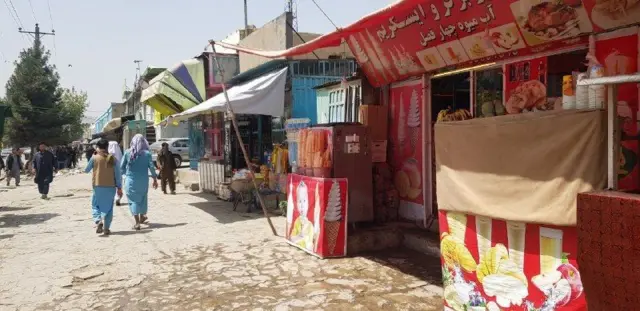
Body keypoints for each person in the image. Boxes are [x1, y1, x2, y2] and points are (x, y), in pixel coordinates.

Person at [85, 139, 122, 236]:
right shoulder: (112, 159)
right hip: (111, 186)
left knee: (95, 205)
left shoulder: (94, 157)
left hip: (98, 185)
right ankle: (106, 228)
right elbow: (118, 174)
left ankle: (98, 220)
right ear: (107, 147)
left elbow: (86, 170)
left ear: (97, 147)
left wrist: (94, 157)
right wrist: (119, 187)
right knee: (109, 207)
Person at [121, 134, 158, 230]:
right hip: (143, 181)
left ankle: (137, 222)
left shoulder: (127, 152)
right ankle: (142, 216)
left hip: (131, 181)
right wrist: (154, 179)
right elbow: (152, 168)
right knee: (142, 199)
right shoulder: (147, 154)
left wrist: (126, 175)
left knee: (133, 201)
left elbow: (121, 167)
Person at [108, 141, 124, 205]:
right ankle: (117, 198)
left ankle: (112, 198)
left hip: (109, 175)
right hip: (118, 173)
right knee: (118, 185)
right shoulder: (119, 154)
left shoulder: (107, 155)